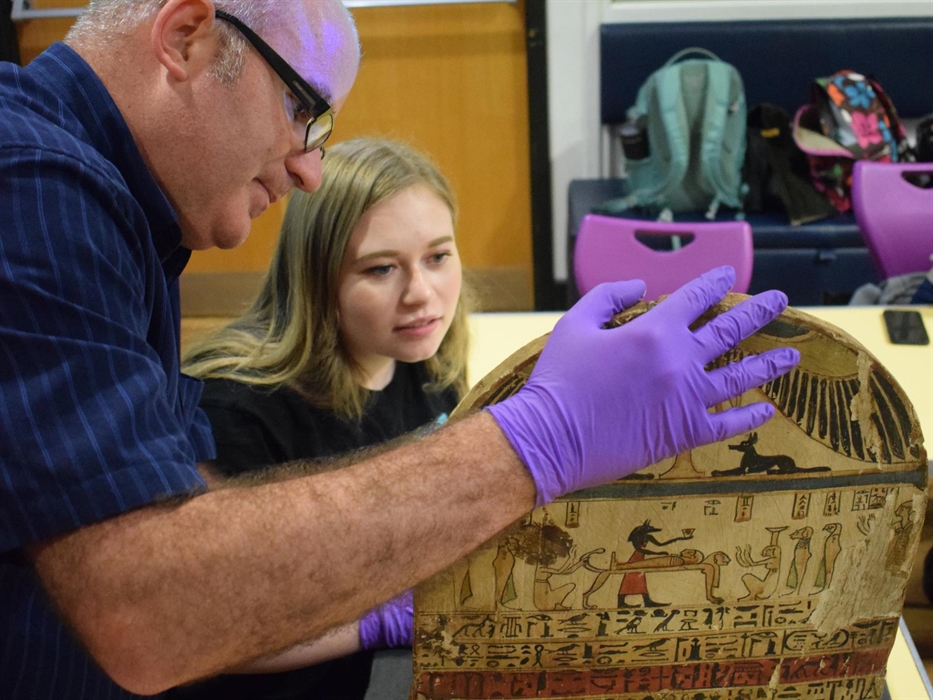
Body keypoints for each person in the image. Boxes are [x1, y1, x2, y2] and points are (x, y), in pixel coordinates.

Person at [0, 1, 800, 698]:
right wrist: (540, 438)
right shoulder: (35, 186)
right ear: (186, 38)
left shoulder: (125, 220)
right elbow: (152, 616)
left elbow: (172, 511)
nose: (310, 169)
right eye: (303, 110)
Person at [174, 137, 472, 699]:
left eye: (438, 256)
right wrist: (372, 618)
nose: (421, 293)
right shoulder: (233, 407)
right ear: (316, 276)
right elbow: (203, 629)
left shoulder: (428, 363)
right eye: (381, 269)